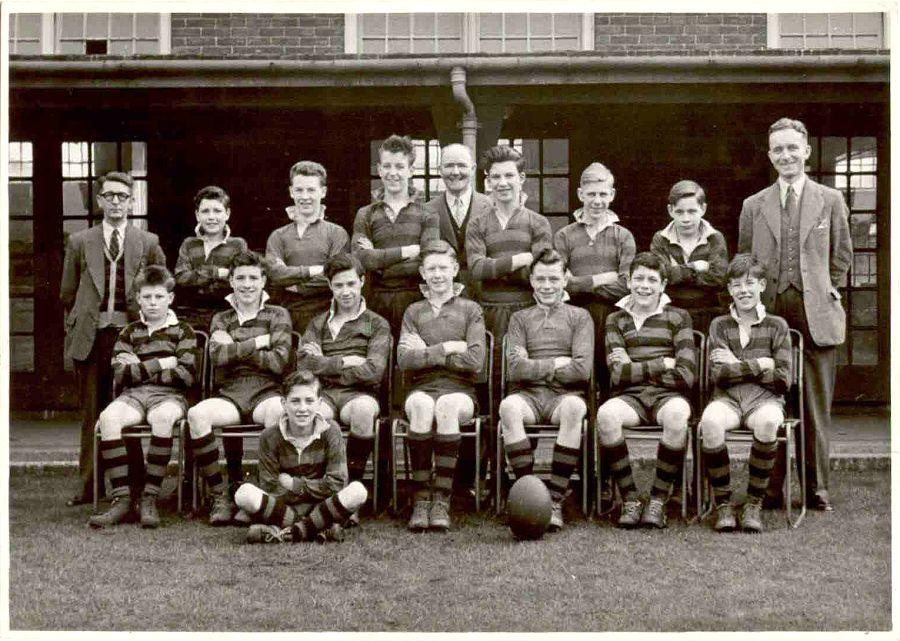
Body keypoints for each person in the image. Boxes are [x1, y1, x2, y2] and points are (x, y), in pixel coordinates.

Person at [738, 117, 852, 512]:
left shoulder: (830, 200)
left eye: (792, 148)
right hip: (770, 311)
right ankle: (771, 490)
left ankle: (817, 489)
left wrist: (829, 288)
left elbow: (842, 254)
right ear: (770, 157)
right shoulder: (753, 205)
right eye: (778, 150)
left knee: (815, 405)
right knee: (771, 399)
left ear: (805, 151)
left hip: (815, 311)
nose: (786, 155)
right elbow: (745, 260)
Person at [60, 170, 166, 507]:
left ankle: (133, 485)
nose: (116, 201)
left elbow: (162, 285)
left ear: (131, 200)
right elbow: (67, 291)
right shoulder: (80, 241)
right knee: (93, 412)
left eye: (123, 196)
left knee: (128, 407)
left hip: (133, 337)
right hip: (92, 336)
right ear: (100, 200)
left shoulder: (147, 242)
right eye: (110, 196)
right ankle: (90, 487)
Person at [185, 250, 292, 525]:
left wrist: (234, 346)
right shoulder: (221, 318)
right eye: (240, 278)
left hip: (266, 390)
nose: (247, 284)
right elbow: (217, 357)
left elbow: (278, 362)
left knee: (277, 413)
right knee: (197, 415)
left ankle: (259, 493)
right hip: (230, 392)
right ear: (231, 281)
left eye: (253, 278)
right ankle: (220, 495)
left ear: (263, 281)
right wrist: (258, 342)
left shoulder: (278, 315)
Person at [89, 266, 198, 529]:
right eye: (147, 297)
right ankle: (122, 499)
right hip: (133, 396)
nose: (152, 303)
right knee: (108, 418)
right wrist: (163, 363)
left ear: (170, 298)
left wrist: (141, 366)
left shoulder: (183, 331)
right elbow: (121, 376)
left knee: (162, 418)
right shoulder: (128, 333)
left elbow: (185, 376)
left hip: (169, 397)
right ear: (138, 297)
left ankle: (149, 498)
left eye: (159, 297)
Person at [553, 162, 635, 510]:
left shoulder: (623, 236)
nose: (598, 200)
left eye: (604, 194)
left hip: (612, 321)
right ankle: (581, 477)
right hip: (573, 320)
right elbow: (561, 282)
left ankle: (608, 482)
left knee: (609, 395)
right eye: (592, 194)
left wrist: (584, 283)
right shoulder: (565, 235)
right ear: (580, 194)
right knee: (580, 394)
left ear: (612, 195)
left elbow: (627, 283)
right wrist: (601, 279)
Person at [595, 252, 697, 529]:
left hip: (668, 397)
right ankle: (630, 497)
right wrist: (662, 362)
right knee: (606, 416)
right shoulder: (616, 319)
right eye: (638, 278)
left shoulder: (679, 318)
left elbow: (686, 374)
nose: (644, 285)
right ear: (628, 282)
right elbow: (617, 374)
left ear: (663, 284)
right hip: (630, 397)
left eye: (652, 280)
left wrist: (636, 368)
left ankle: (658, 499)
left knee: (677, 415)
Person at [498, 248, 593, 532]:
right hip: (528, 395)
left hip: (564, 396)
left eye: (554, 278)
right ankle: (526, 495)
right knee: (508, 407)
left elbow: (581, 370)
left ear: (565, 279)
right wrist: (555, 363)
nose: (547, 286)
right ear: (531, 281)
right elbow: (515, 369)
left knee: (576, 409)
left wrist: (535, 365)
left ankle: (553, 499)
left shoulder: (580, 317)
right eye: (541, 279)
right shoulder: (520, 319)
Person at [699, 254, 792, 533]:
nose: (744, 290)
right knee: (711, 422)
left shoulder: (777, 326)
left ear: (762, 285)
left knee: (767, 423)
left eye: (750, 283)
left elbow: (782, 381)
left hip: (765, 400)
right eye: (737, 284)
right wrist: (761, 364)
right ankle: (724, 504)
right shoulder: (719, 325)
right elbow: (718, 375)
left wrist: (735, 363)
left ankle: (754, 504)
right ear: (729, 289)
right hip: (727, 399)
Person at [397, 240, 486, 531]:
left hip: (460, 389)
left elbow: (474, 360)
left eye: (443, 268)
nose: (437, 275)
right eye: (431, 269)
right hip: (421, 387)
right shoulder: (413, 311)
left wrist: (427, 351)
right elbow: (404, 360)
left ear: (455, 270)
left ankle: (442, 500)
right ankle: (421, 498)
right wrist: (447, 347)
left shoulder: (471, 309)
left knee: (446, 406)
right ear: (422, 272)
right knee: (422, 405)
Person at [237, 370, 368, 544]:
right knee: (244, 494)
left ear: (319, 403)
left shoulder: (331, 431)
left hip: (319, 504)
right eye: (295, 401)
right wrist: (315, 490)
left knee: (358, 491)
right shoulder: (269, 436)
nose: (303, 409)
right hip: (306, 508)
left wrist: (294, 484)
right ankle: (317, 528)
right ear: (284, 403)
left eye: (309, 401)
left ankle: (285, 529)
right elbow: (271, 486)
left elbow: (336, 484)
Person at [297, 253, 391, 496]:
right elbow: (304, 367)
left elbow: (374, 371)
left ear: (362, 281)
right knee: (310, 413)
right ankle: (316, 487)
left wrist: (325, 364)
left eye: (351, 283)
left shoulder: (376, 323)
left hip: (359, 394)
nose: (346, 291)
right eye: (338, 285)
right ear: (330, 286)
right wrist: (345, 361)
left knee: (363, 412)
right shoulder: (318, 324)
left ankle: (349, 487)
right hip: (325, 394)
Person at [466, 145, 552, 395]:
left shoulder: (538, 223)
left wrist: (496, 267)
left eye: (509, 176)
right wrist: (519, 260)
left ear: (521, 178)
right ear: (488, 181)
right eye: (496, 177)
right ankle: (491, 434)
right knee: (489, 379)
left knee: (522, 377)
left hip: (526, 311)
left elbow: (537, 275)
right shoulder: (478, 223)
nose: (502, 183)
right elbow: (476, 269)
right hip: (488, 311)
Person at [351, 135, 440, 338]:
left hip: (416, 300)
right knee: (379, 357)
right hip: (374, 301)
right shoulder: (365, 214)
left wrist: (379, 261)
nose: (393, 173)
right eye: (387, 166)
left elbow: (427, 261)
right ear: (379, 169)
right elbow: (360, 260)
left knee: (412, 356)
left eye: (400, 166)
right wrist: (406, 251)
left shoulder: (428, 214)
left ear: (410, 171)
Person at [266, 161, 350, 334]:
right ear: (291, 192)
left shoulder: (336, 233)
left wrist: (296, 286)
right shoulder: (278, 236)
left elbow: (336, 277)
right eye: (299, 190)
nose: (305, 196)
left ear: (323, 192)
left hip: (327, 316)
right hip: (286, 317)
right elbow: (274, 275)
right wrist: (313, 271)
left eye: (311, 190)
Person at [650, 179, 728, 335]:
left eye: (692, 211)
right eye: (679, 212)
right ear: (670, 210)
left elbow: (719, 278)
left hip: (708, 312)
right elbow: (662, 276)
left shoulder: (715, 238)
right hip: (670, 312)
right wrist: (696, 267)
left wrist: (677, 271)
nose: (686, 219)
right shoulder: (661, 239)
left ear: (703, 209)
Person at [173, 185, 249, 332]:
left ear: (227, 214)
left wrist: (197, 277)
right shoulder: (189, 244)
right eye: (205, 211)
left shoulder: (238, 245)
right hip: (191, 316)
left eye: (217, 211)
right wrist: (217, 273)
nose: (211, 217)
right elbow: (181, 277)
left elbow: (237, 280)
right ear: (197, 215)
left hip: (227, 316)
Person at [426, 143, 493, 298]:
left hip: (485, 296)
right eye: (449, 166)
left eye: (462, 165)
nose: (455, 172)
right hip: (442, 297)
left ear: (473, 168)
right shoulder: (427, 211)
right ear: (440, 170)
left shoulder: (491, 207)